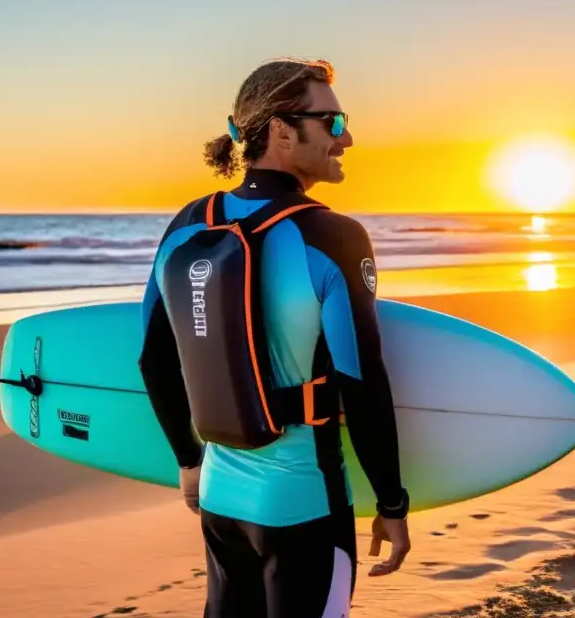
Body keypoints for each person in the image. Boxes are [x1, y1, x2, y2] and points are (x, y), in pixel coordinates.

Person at [137, 57, 410, 618]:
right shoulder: (332, 235)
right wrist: (392, 502)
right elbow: (362, 383)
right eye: (333, 122)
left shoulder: (190, 222)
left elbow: (154, 360)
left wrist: (188, 461)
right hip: (303, 501)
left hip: (218, 493)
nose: (348, 137)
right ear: (283, 130)